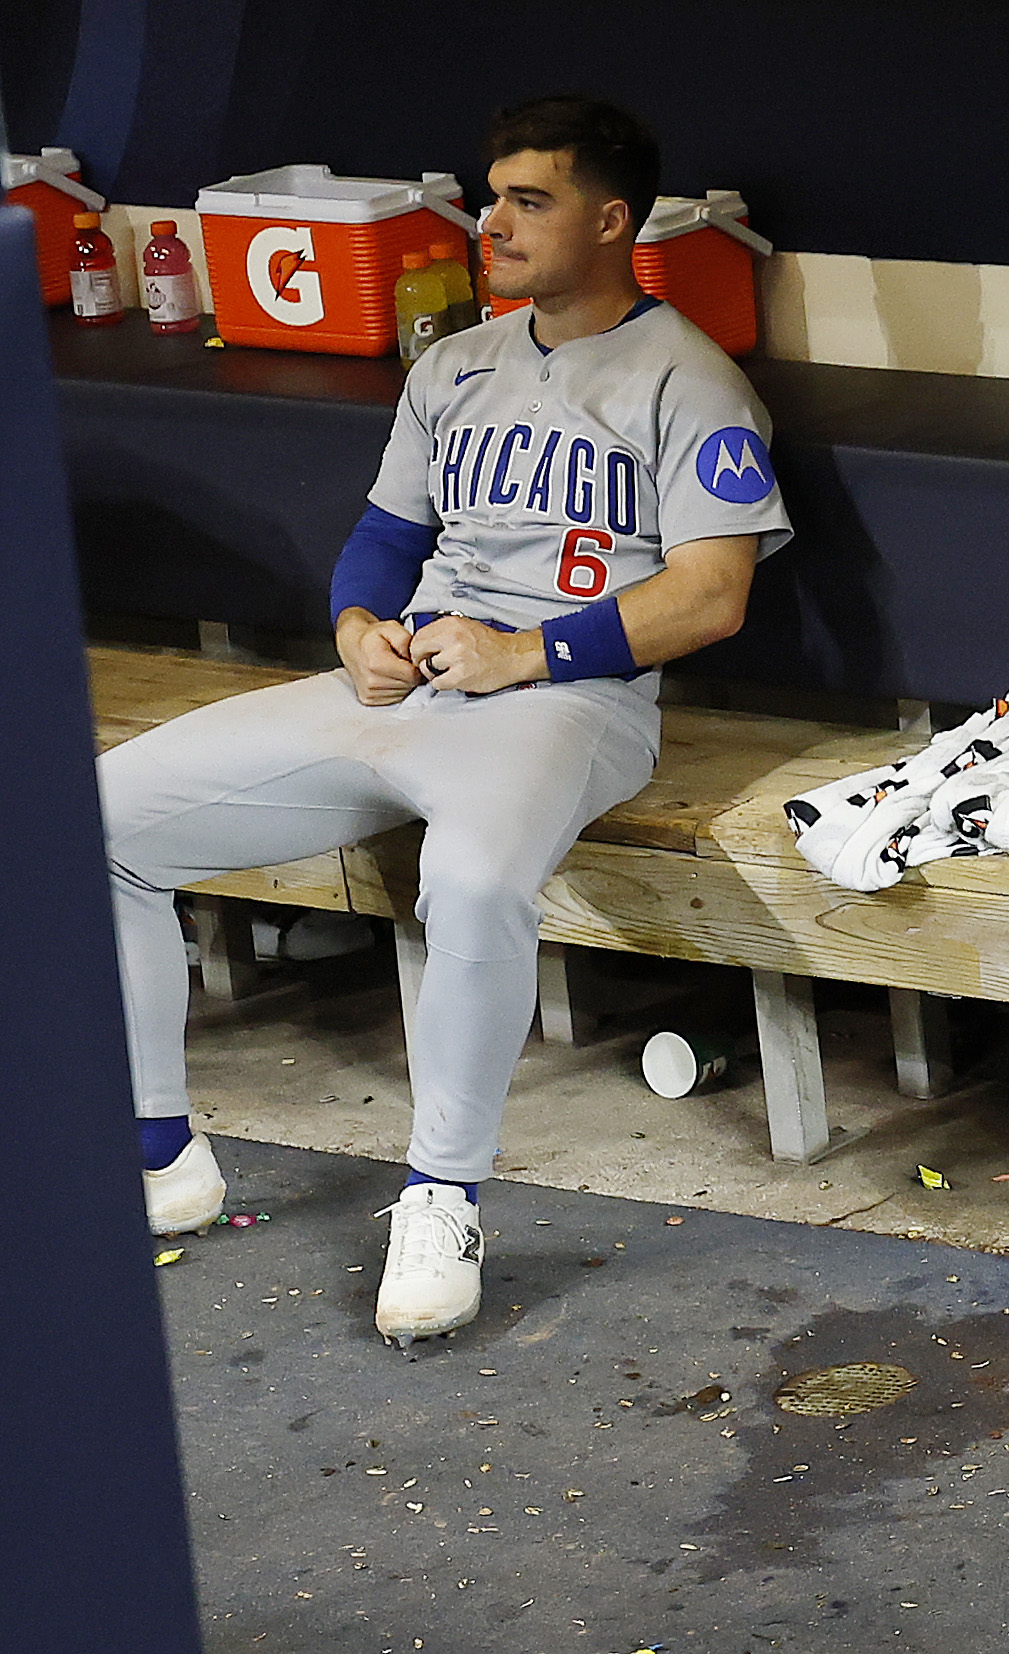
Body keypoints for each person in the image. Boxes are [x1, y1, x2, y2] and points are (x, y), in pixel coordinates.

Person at [102, 95, 792, 1346]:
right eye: (493, 197)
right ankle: (159, 1151)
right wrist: (356, 630)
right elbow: (384, 537)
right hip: (408, 683)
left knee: (471, 883)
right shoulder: (454, 364)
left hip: (570, 704)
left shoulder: (691, 381)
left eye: (531, 201)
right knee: (97, 820)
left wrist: (523, 652)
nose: (495, 224)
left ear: (612, 221)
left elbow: (711, 595)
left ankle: (442, 1197)